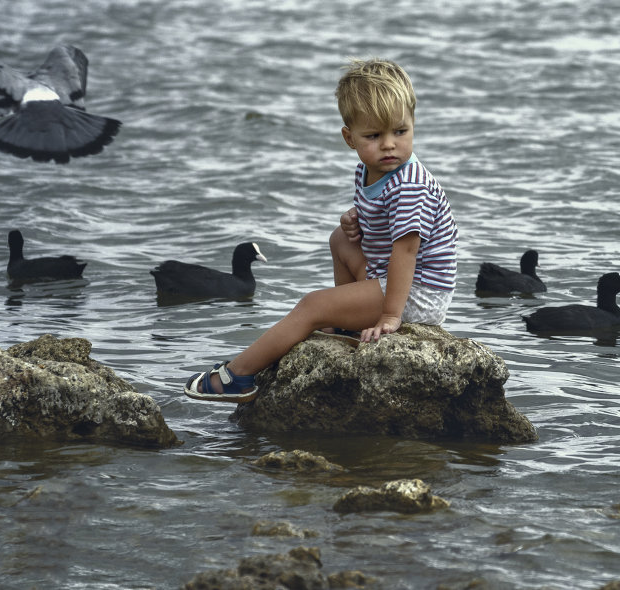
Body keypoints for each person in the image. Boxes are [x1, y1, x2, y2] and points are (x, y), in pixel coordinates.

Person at [185, 58, 458, 403]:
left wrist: (391, 317)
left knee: (312, 305)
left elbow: (406, 251)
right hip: (393, 275)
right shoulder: (369, 170)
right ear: (350, 138)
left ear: (414, 125)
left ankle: (238, 377)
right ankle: (346, 322)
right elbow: (382, 217)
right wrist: (356, 218)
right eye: (374, 136)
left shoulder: (410, 185)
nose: (389, 145)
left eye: (400, 132)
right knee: (340, 238)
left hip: (417, 293)